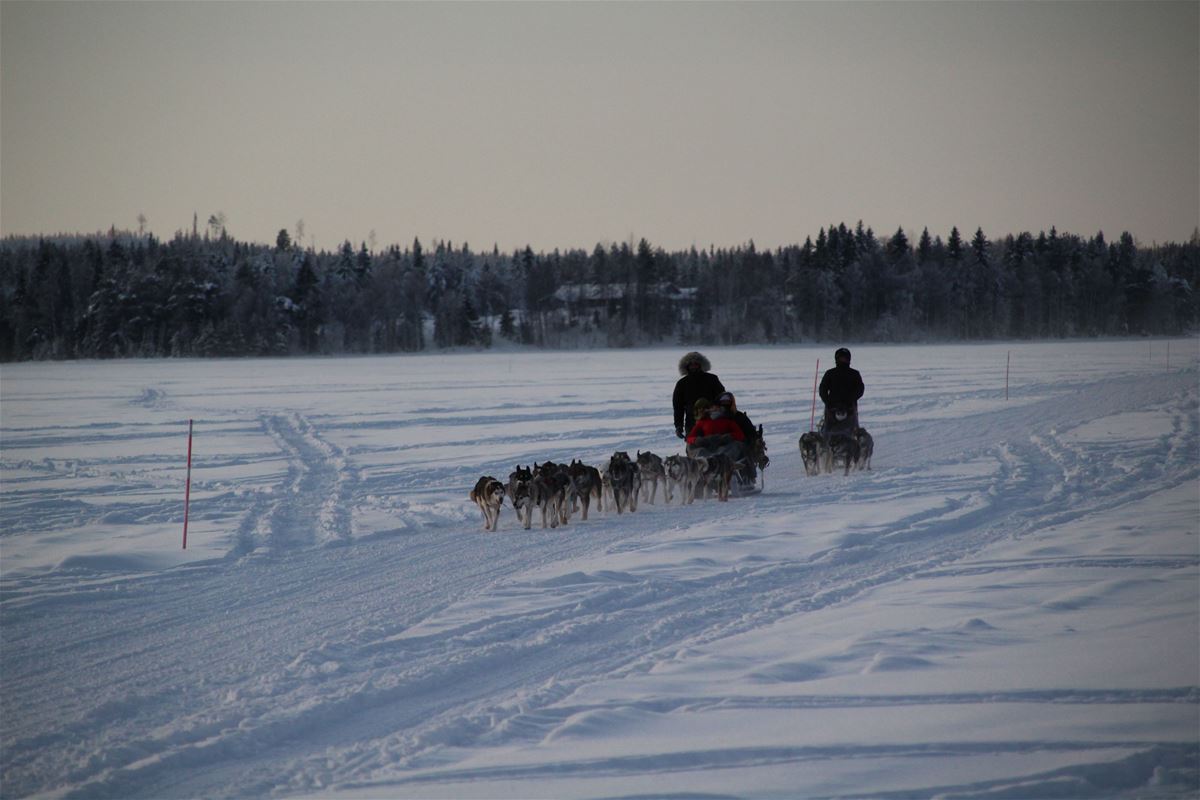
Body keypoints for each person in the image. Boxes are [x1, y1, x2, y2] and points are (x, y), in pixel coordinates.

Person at [673, 351, 725, 439]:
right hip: (691, 421)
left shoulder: (712, 379)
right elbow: (678, 407)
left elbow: (722, 398)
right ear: (686, 366)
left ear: (701, 365)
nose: (693, 366)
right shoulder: (682, 383)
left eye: (696, 364)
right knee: (693, 446)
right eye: (691, 364)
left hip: (712, 418)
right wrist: (678, 426)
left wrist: (723, 415)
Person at [818, 347, 864, 432]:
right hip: (832, 407)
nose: (843, 360)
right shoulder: (830, 373)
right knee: (827, 430)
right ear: (836, 359)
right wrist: (827, 401)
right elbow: (823, 389)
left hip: (849, 407)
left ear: (849, 359)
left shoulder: (854, 374)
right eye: (841, 358)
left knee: (852, 429)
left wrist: (851, 399)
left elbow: (860, 389)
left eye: (845, 358)